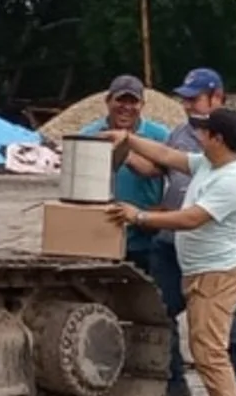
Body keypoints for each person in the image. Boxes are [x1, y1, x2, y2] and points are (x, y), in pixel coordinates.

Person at [101, 107, 236, 396]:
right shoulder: (209, 164)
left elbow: (191, 218)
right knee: (207, 350)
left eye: (204, 133)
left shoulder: (232, 179)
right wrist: (127, 139)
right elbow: (167, 155)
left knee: (209, 352)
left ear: (218, 139)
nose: (198, 137)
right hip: (202, 271)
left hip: (216, 276)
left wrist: (139, 216)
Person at [158, 67, 236, 396]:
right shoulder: (183, 133)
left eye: (194, 98)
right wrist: (126, 144)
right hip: (180, 248)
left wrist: (214, 176)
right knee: (160, 313)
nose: (187, 105)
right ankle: (174, 386)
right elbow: (166, 162)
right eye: (185, 98)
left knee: (224, 334)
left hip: (223, 251)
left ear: (217, 97)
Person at [72, 75, 170, 270]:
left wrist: (125, 153)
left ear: (142, 104)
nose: (126, 107)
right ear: (108, 101)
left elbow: (169, 175)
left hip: (144, 236)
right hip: (99, 233)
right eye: (120, 100)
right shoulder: (89, 135)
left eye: (133, 101)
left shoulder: (160, 136)